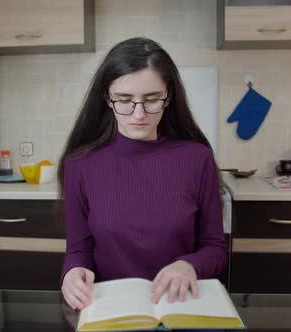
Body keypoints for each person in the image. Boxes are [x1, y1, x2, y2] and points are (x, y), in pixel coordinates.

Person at [57, 37, 228, 311]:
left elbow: (215, 248)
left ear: (168, 97)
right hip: (110, 309)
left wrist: (189, 265)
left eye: (151, 100)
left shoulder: (197, 158)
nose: (138, 114)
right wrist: (71, 273)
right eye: (125, 100)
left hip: (181, 306)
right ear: (107, 98)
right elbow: (78, 250)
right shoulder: (81, 164)